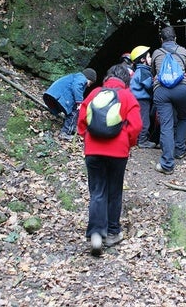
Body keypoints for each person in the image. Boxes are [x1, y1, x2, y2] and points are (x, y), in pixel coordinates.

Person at [77, 64, 142, 256]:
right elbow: (137, 125)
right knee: (114, 191)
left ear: (107, 78)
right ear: (126, 81)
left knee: (97, 191)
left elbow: (82, 119)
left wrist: (86, 136)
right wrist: (128, 141)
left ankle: (96, 235)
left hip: (93, 150)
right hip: (118, 152)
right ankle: (113, 233)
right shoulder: (127, 96)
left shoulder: (95, 93)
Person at [151, 26, 186, 174]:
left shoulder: (156, 53)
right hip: (181, 89)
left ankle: (167, 164)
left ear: (161, 40)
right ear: (175, 39)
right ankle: (180, 149)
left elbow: (154, 73)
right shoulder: (183, 51)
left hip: (161, 90)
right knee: (183, 117)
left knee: (166, 124)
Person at [43, 68, 97, 141]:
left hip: (51, 95)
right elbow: (76, 87)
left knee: (64, 108)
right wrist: (79, 102)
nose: (89, 86)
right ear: (88, 77)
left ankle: (53, 114)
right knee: (74, 112)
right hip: (60, 97)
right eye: (90, 83)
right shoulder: (82, 78)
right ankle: (65, 133)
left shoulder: (74, 76)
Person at [130, 45, 157, 149]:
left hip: (137, 98)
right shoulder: (143, 71)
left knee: (138, 119)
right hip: (141, 99)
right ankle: (142, 141)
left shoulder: (139, 70)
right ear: (142, 59)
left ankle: (137, 139)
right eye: (149, 57)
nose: (151, 59)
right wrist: (156, 80)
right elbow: (148, 85)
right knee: (144, 121)